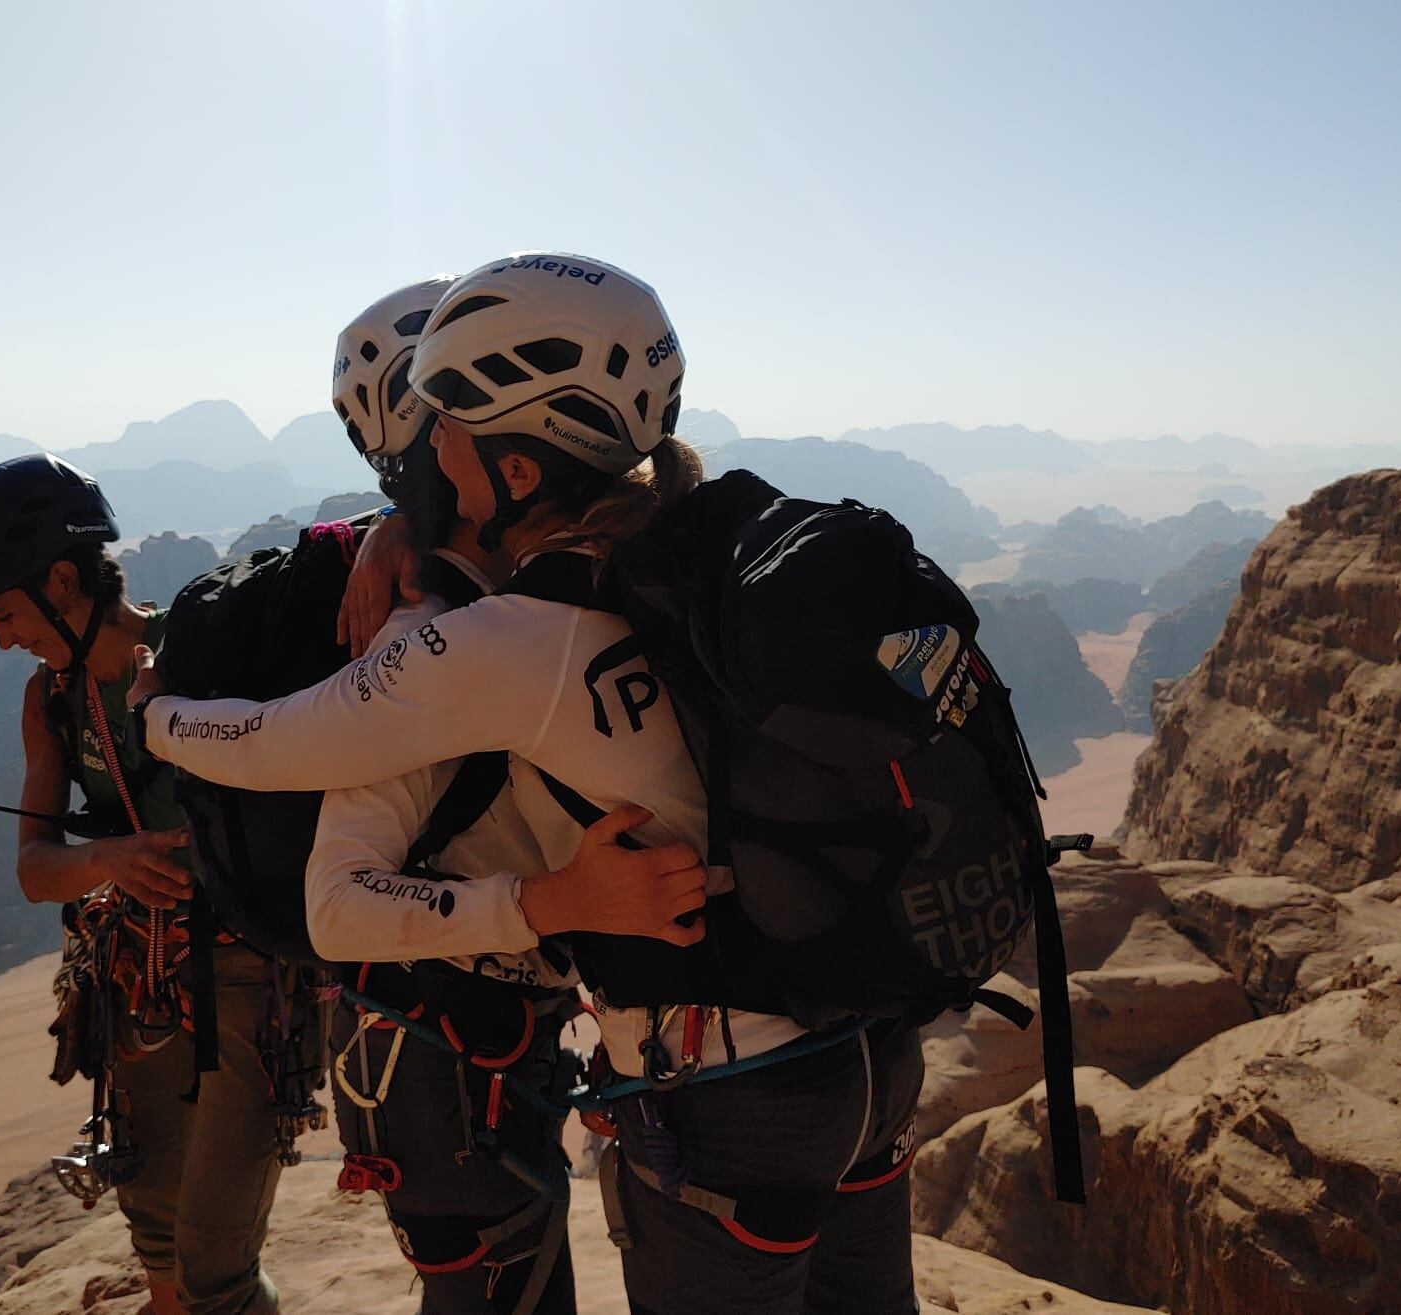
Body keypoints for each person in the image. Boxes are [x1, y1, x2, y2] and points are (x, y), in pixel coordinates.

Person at [126, 254, 924, 1314]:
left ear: (511, 464)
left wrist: (154, 715)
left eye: (447, 420)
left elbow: (287, 764)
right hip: (873, 1034)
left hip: (731, 1087)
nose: (432, 443)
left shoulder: (495, 637)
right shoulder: (694, 541)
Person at [0, 454, 287, 1315]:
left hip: (246, 982)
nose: (3, 637)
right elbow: (34, 868)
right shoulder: (49, 700)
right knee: (160, 1245)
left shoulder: (198, 649)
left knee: (216, 1268)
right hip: (139, 986)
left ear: (64, 578)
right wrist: (111, 860)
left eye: (5, 613)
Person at [314, 277, 583, 1312]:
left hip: (471, 1026)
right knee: (493, 1282)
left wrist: (394, 527)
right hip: (441, 1033)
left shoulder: (495, 579)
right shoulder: (416, 616)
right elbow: (337, 893)